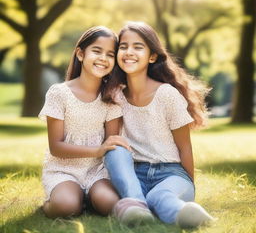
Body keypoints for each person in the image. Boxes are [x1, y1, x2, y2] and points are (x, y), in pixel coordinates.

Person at [104, 21, 214, 228]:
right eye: (123, 46)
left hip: (171, 173)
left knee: (160, 195)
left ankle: (183, 212)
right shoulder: (115, 95)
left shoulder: (167, 94)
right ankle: (135, 203)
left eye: (138, 47)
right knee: (114, 147)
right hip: (133, 175)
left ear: (152, 56)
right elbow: (112, 143)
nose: (129, 52)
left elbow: (185, 147)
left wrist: (189, 185)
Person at [38, 26, 130, 218]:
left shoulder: (112, 96)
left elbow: (111, 142)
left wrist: (103, 154)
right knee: (66, 207)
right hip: (64, 169)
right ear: (81, 54)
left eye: (110, 54)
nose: (103, 58)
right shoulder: (59, 93)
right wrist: (97, 150)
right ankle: (51, 203)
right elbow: (56, 147)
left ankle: (89, 197)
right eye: (96, 51)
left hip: (97, 170)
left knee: (111, 204)